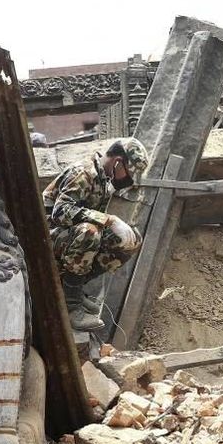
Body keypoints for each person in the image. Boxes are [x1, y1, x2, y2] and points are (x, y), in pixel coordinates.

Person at [43, 137, 148, 331]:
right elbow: (60, 213)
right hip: (44, 239)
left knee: (130, 240)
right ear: (117, 162)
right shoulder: (84, 173)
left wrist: (115, 227)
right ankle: (70, 305)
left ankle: (72, 289)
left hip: (66, 239)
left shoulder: (103, 180)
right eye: (129, 173)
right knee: (89, 232)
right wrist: (108, 219)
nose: (128, 180)